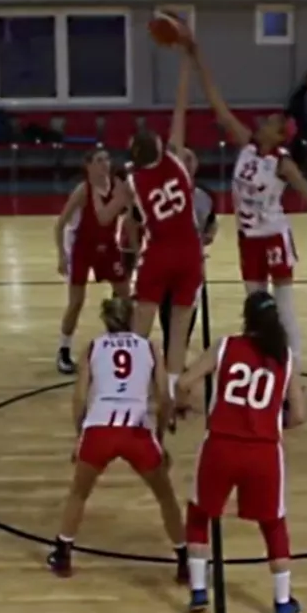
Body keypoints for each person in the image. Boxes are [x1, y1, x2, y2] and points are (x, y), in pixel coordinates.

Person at [191, 40, 307, 375]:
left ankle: (292, 371)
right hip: (248, 238)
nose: (262, 122)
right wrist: (198, 61)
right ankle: (261, 362)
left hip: (273, 237)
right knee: (255, 306)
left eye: (270, 121)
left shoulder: (281, 163)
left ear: (280, 135)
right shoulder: (247, 144)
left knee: (283, 307)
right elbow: (219, 107)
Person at [176, 291, 306, 613]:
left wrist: (182, 405)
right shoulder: (285, 357)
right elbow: (299, 415)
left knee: (199, 514)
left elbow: (186, 381)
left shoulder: (225, 346)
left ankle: (200, 591)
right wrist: (274, 424)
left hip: (220, 445)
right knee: (273, 524)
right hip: (263, 450)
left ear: (246, 318)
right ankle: (281, 602)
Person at [47, 297, 188, 580]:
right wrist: (159, 437)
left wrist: (80, 435)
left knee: (79, 493)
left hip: (100, 426)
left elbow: (79, 398)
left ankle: (63, 552)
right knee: (165, 496)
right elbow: (163, 398)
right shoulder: (149, 347)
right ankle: (184, 559)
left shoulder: (93, 347)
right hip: (136, 429)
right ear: (133, 319)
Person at [124, 45, 203, 403]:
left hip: (157, 253)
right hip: (189, 253)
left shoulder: (133, 183)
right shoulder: (177, 160)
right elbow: (180, 106)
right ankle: (171, 393)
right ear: (159, 147)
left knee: (140, 328)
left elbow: (124, 221)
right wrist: (186, 63)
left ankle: (131, 389)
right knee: (178, 330)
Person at [54, 149, 132, 374]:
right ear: (88, 166)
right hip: (83, 249)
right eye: (99, 160)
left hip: (109, 247)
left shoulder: (118, 186)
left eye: (107, 159)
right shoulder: (82, 190)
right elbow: (60, 225)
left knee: (125, 297)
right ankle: (64, 350)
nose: (105, 164)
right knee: (76, 302)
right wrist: (61, 255)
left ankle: (124, 343)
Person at [157, 148, 217, 363]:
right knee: (166, 308)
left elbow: (211, 225)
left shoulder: (205, 195)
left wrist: (207, 237)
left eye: (191, 158)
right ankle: (169, 350)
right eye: (184, 159)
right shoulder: (163, 192)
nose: (188, 163)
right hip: (166, 258)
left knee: (188, 309)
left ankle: (177, 352)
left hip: (192, 261)